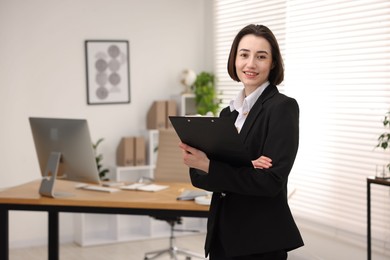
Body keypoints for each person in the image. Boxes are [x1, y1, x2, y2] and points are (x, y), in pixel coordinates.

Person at [179, 24, 304, 260]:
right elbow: (200, 176)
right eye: (244, 54)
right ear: (234, 59)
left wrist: (211, 165)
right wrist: (239, 166)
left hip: (259, 241)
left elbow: (269, 183)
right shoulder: (229, 114)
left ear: (273, 63)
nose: (251, 64)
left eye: (261, 56)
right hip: (222, 237)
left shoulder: (282, 108)